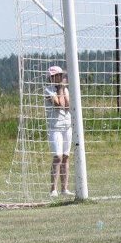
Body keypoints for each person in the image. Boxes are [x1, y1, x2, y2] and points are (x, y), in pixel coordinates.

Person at [44, 65, 75, 197]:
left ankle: (64, 188)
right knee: (58, 156)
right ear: (52, 77)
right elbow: (58, 105)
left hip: (67, 127)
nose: (62, 77)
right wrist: (61, 89)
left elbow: (67, 106)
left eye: (62, 75)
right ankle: (53, 189)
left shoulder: (66, 90)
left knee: (66, 157)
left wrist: (63, 89)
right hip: (55, 128)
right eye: (59, 75)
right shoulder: (48, 90)